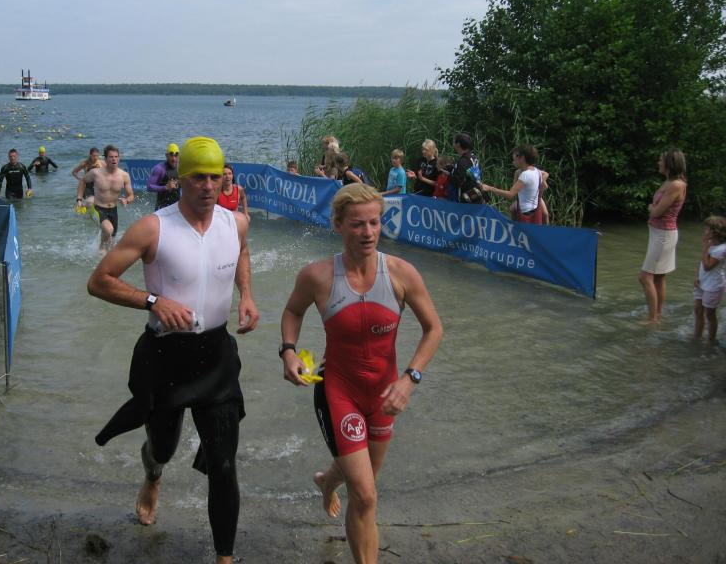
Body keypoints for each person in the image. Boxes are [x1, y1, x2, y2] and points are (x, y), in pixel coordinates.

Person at [87, 136, 258, 564]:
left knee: (224, 464)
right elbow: (99, 281)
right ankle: (153, 474)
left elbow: (242, 253)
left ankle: (224, 557)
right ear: (181, 179)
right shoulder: (153, 228)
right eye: (198, 177)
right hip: (166, 356)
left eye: (215, 177)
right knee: (162, 446)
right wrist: (153, 301)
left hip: (216, 356)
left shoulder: (236, 223)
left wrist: (247, 295)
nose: (208, 185)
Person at [280, 184, 442, 564]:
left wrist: (410, 379)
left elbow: (434, 329)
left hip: (384, 397)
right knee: (366, 495)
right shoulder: (318, 276)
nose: (368, 232)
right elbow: (292, 311)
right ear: (338, 224)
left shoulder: (402, 274)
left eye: (374, 222)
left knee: (362, 481)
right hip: (339, 391)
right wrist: (288, 351)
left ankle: (326, 480)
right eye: (357, 224)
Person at [638, 148, 687, 323]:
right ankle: (657, 315)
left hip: (664, 236)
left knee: (645, 277)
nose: (658, 162)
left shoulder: (676, 185)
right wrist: (653, 208)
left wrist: (651, 208)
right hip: (659, 234)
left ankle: (652, 319)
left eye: (661, 159)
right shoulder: (669, 182)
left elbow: (656, 212)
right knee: (658, 277)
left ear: (669, 163)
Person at [76, 145, 134, 252]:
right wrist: (79, 199)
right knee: (108, 230)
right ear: (105, 159)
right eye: (111, 157)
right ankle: (100, 256)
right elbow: (83, 181)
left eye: (116, 157)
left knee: (110, 243)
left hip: (113, 211)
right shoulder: (96, 173)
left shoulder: (124, 175)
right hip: (98, 208)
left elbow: (131, 195)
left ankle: (99, 255)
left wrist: (126, 200)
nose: (114, 159)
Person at [481, 145, 546, 224]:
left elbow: (510, 195)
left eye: (514, 158)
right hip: (535, 212)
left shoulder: (525, 175)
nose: (513, 161)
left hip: (525, 213)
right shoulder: (537, 171)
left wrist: (489, 188)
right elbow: (544, 186)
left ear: (522, 158)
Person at [694, 215, 726, 341]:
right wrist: (697, 275)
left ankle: (711, 340)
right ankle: (697, 336)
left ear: (714, 232)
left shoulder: (721, 249)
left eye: (707, 229)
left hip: (713, 286)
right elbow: (702, 264)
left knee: (710, 314)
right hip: (702, 282)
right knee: (698, 310)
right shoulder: (710, 244)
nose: (704, 231)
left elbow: (708, 266)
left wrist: (704, 248)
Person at [450, 133, 485, 204]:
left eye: (454, 142)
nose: (453, 144)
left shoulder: (462, 161)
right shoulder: (474, 157)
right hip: (476, 194)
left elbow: (458, 181)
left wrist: (450, 174)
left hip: (467, 198)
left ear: (458, 144)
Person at [147, 143, 180, 210]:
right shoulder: (159, 169)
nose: (174, 159)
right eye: (171, 155)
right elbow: (149, 186)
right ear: (166, 155)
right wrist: (165, 187)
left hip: (176, 208)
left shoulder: (180, 168)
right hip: (162, 209)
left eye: (176, 155)